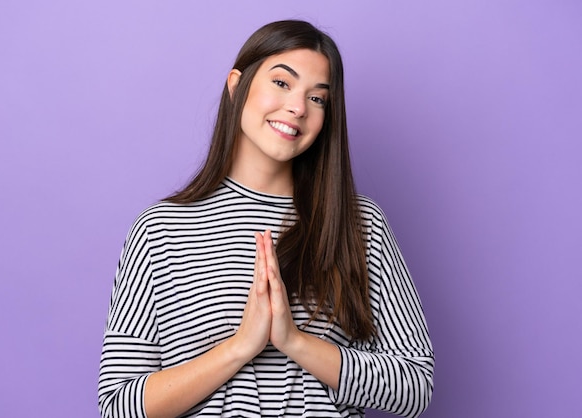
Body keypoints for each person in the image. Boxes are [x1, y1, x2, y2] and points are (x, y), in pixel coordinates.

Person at [98, 20, 434, 418]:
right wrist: (240, 346)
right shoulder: (161, 229)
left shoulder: (358, 225)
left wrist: (294, 341)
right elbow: (118, 407)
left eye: (318, 99)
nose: (297, 107)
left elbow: (415, 386)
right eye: (281, 83)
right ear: (237, 84)